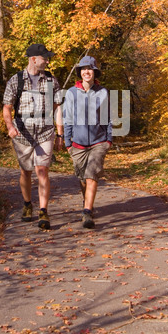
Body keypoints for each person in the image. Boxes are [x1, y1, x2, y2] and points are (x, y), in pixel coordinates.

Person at [3, 43, 63, 230]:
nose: (47, 61)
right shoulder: (16, 80)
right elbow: (7, 106)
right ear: (33, 59)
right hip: (22, 133)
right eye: (45, 58)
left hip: (45, 131)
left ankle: (43, 211)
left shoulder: (51, 80)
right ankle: (28, 204)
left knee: (42, 170)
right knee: (26, 171)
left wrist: (60, 133)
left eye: (47, 58)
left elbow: (58, 107)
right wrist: (10, 126)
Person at [64, 56, 112, 229]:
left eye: (90, 69)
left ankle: (87, 212)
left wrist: (109, 140)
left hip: (99, 142)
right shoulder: (71, 93)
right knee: (83, 178)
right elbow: (67, 118)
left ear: (94, 72)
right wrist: (67, 142)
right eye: (83, 69)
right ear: (80, 73)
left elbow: (107, 117)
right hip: (77, 144)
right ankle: (87, 203)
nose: (86, 72)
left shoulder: (103, 92)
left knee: (91, 176)